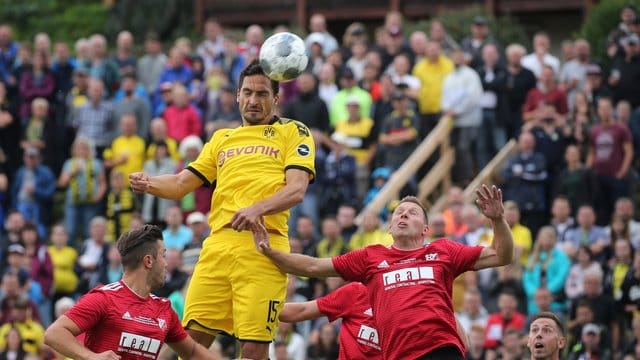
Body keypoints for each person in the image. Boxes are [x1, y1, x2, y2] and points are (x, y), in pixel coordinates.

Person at [129, 60, 315, 359]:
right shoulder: (221, 138)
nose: (254, 100)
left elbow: (296, 189)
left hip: (263, 247)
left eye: (262, 94)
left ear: (276, 98)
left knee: (254, 348)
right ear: (237, 95)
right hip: (217, 247)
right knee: (189, 341)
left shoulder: (293, 131)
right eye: (248, 93)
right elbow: (179, 183)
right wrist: (148, 182)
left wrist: (257, 209)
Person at [252, 184, 513, 359]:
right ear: (389, 228)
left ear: (425, 229)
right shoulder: (371, 257)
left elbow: (502, 255)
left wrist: (498, 219)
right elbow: (312, 266)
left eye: (412, 213)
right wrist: (270, 252)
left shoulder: (444, 251)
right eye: (398, 213)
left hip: (440, 349)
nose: (403, 215)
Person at [43, 225, 216, 359]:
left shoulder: (164, 310)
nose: (166, 264)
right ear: (148, 261)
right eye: (163, 255)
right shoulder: (104, 298)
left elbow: (192, 353)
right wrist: (91, 357)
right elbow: (54, 333)